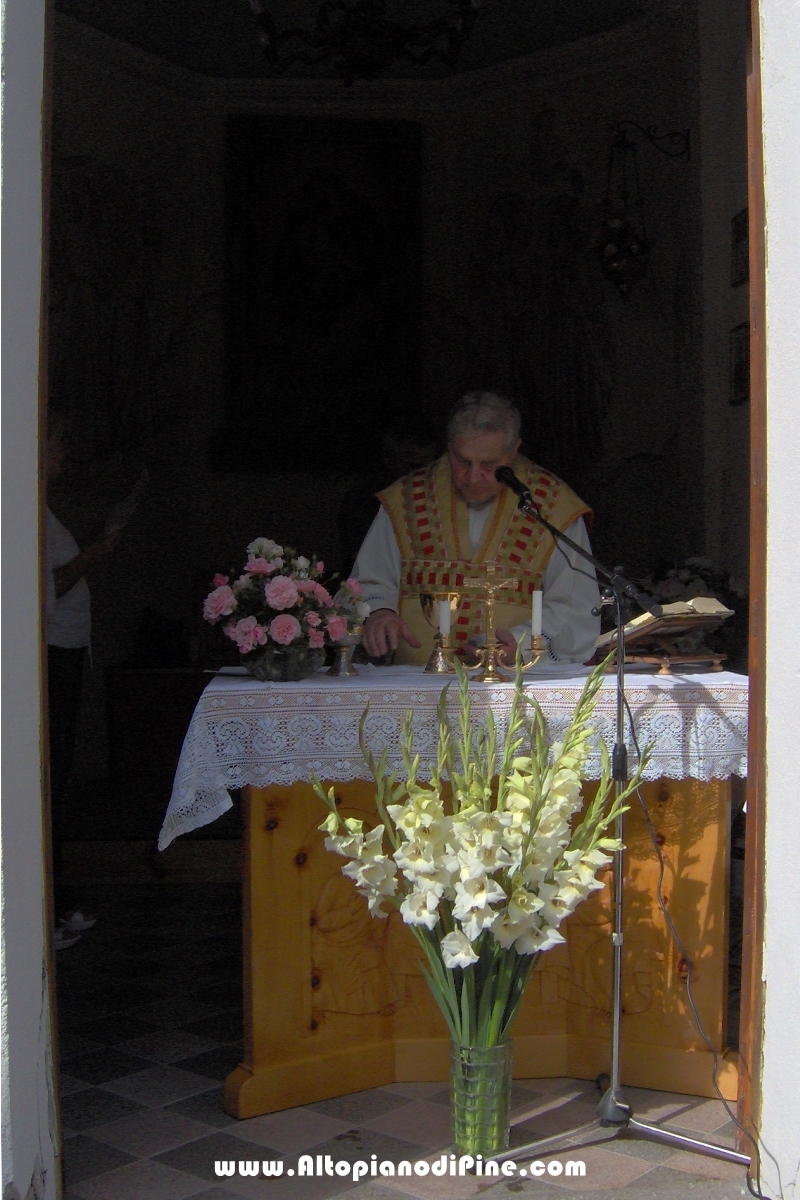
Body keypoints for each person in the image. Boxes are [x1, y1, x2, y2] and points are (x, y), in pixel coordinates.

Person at [353, 391, 600, 665]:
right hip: (414, 682)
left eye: (488, 465)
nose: (472, 477)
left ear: (514, 450)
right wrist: (379, 611)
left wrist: (521, 644)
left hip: (513, 685)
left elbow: (575, 605)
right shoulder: (405, 499)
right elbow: (368, 581)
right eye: (461, 461)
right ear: (448, 447)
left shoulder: (553, 507)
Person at [46, 418, 119, 947]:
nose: (64, 451)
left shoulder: (43, 508)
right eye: (58, 440)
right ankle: (49, 905)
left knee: (59, 774)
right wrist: (91, 556)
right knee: (49, 776)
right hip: (47, 653)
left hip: (65, 650)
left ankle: (57, 897)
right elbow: (47, 584)